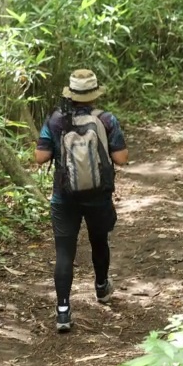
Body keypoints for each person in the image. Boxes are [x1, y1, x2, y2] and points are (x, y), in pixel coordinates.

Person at [35, 69, 129, 332]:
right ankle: (101, 287)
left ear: (71, 94)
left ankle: (63, 311)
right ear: (94, 94)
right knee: (99, 241)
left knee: (64, 252)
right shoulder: (107, 119)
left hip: (64, 197)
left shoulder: (55, 120)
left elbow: (40, 157)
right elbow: (121, 159)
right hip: (98, 195)